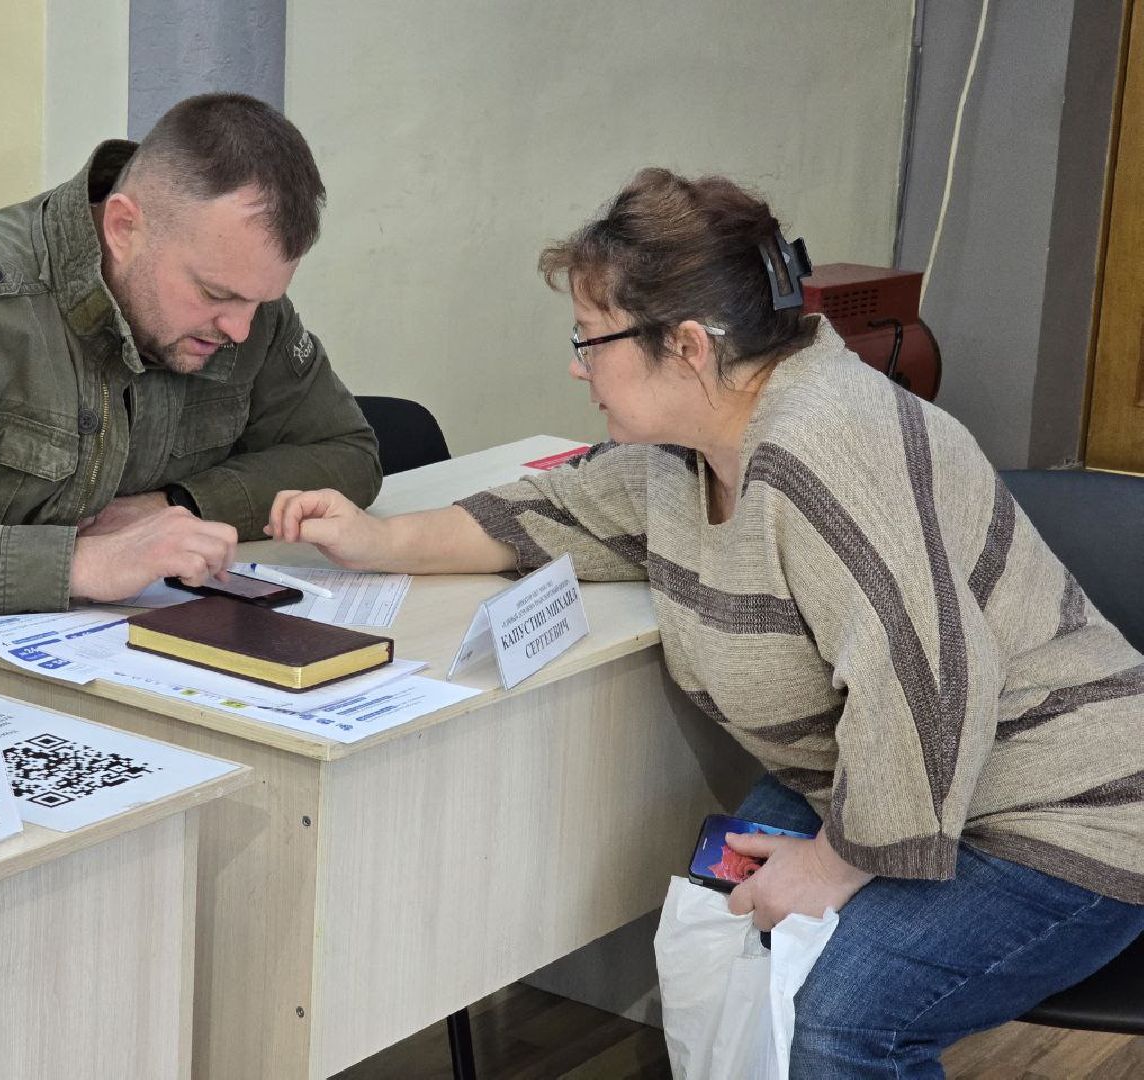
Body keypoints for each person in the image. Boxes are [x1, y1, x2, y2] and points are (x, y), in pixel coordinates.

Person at [265, 170, 1144, 1076]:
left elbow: (930, 683)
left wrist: (836, 865)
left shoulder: (828, 449)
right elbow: (551, 513)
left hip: (1062, 810)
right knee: (720, 928)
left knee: (833, 1015)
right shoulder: (692, 450)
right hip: (897, 779)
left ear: (685, 346)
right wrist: (374, 538)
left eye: (590, 338)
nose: (577, 364)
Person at [0, 92, 381, 644]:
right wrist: (81, 564)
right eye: (217, 296)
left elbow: (345, 451)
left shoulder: (240, 302)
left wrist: (181, 503)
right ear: (123, 227)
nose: (241, 329)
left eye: (261, 302)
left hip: (108, 665)